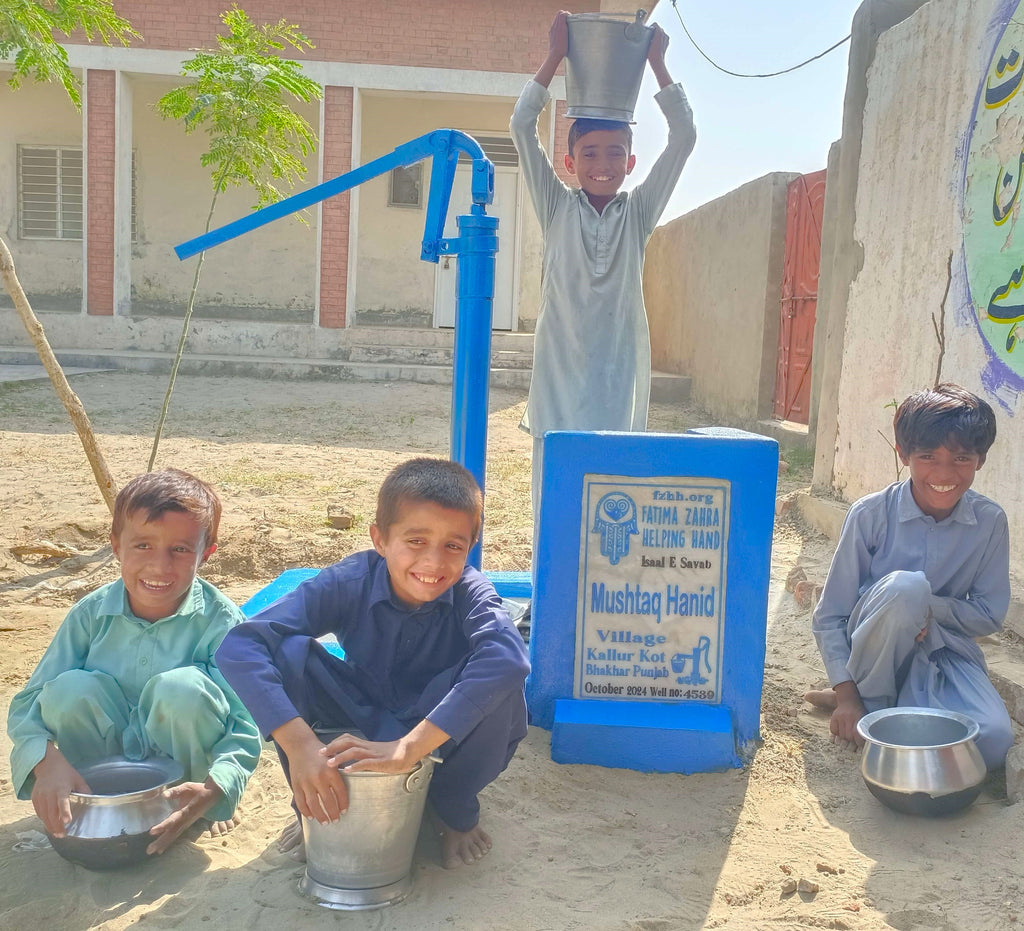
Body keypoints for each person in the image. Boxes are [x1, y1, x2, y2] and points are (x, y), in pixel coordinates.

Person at [215, 457, 530, 869]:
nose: (434, 562)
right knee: (284, 649)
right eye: (416, 541)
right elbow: (239, 646)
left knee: (502, 686)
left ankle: (451, 810)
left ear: (470, 548)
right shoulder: (348, 581)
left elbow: (508, 658)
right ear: (379, 540)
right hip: (360, 711)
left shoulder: (472, 591)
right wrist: (301, 746)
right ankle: (310, 801)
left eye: (453, 546)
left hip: (438, 728)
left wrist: (408, 747)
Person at [510, 10, 696, 556]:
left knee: (615, 490)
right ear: (569, 161)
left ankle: (608, 586)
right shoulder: (556, 208)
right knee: (555, 490)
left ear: (631, 161)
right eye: (589, 153)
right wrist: (554, 58)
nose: (602, 163)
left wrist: (659, 64)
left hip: (619, 373)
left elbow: (684, 138)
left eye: (614, 153)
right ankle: (548, 592)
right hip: (560, 374)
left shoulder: (637, 215)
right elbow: (521, 128)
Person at [7, 469, 262, 855]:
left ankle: (200, 803)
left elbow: (247, 720)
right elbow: (28, 705)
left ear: (205, 552)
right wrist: (46, 763)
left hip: (183, 778)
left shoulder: (222, 623)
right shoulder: (90, 615)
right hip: (99, 769)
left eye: (180, 549)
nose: (160, 566)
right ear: (115, 546)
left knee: (183, 690)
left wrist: (219, 784)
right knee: (69, 690)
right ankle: (92, 800)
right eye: (143, 545)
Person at [804, 383, 1014, 769]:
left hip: (944, 652)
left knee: (993, 741)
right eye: (928, 456)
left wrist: (929, 611)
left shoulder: (989, 522)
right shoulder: (870, 515)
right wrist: (846, 694)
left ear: (981, 460)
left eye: (962, 458)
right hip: (873, 652)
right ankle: (865, 700)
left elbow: (987, 614)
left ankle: (882, 709)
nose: (944, 473)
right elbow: (830, 615)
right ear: (904, 455)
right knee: (905, 588)